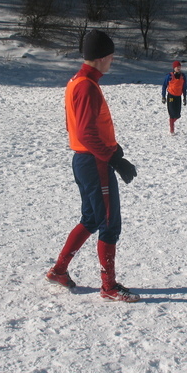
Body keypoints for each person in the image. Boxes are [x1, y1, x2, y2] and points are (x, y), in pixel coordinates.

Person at [46, 29, 140, 302]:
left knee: (91, 218)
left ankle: (59, 271)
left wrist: (113, 146)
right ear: (101, 57)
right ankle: (108, 286)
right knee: (109, 223)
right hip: (93, 161)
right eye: (110, 56)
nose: (112, 61)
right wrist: (113, 159)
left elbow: (77, 126)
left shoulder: (77, 81)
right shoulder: (86, 85)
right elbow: (86, 132)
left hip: (84, 159)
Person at [161, 60, 187, 134]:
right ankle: (172, 129)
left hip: (178, 97)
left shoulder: (183, 76)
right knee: (172, 113)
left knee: (177, 115)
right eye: (177, 67)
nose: (178, 68)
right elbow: (164, 86)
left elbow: (184, 87)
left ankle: (171, 122)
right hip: (171, 96)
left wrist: (185, 97)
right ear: (174, 68)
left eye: (179, 67)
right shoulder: (169, 76)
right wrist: (163, 96)